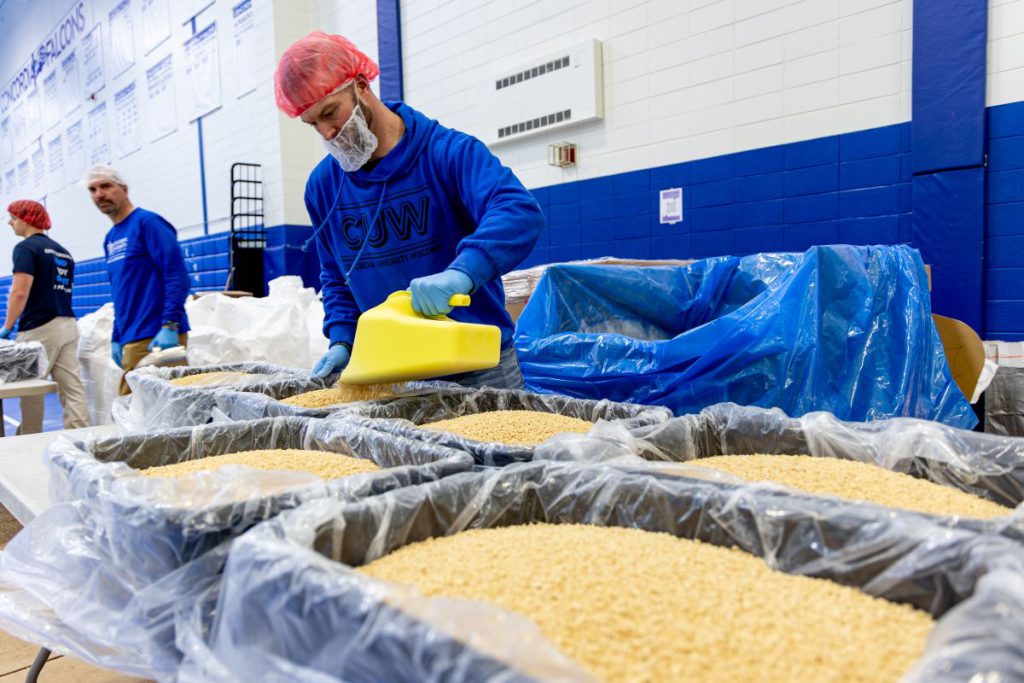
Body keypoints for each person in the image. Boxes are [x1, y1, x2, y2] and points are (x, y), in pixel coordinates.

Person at [274, 32, 544, 388]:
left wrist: (462, 273)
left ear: (360, 86)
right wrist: (342, 338)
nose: (327, 132)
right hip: (391, 370)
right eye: (313, 124)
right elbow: (336, 276)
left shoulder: (446, 154)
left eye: (330, 112)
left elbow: (517, 210)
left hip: (478, 369)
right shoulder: (323, 186)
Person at [84, 165, 191, 394]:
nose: (99, 194)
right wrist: (116, 335)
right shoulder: (111, 238)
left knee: (142, 409)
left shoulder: (148, 224)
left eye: (106, 186)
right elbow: (120, 291)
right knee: (144, 413)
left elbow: (176, 275)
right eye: (92, 189)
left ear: (123, 188)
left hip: (156, 336)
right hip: (131, 337)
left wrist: (170, 325)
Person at [1, 201, 89, 433]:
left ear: (26, 219)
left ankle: (28, 440)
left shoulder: (26, 248)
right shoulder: (63, 251)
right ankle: (80, 438)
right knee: (72, 388)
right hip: (68, 324)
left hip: (39, 329)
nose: (10, 223)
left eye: (13, 218)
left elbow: (20, 292)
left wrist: (7, 326)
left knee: (31, 389)